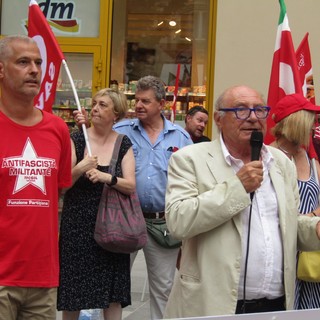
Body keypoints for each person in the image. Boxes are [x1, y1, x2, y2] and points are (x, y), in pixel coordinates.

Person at [163, 85, 320, 318]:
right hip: (213, 304)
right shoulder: (189, 159)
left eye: (259, 110)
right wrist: (238, 187)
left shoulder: (281, 162)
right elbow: (178, 221)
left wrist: (314, 229)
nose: (253, 117)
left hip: (275, 305)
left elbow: (289, 227)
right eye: (241, 110)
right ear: (218, 119)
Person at [75, 75, 193, 319]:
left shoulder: (180, 137)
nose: (139, 105)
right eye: (137, 100)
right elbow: (93, 141)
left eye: (146, 101)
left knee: (164, 289)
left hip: (162, 224)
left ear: (161, 104)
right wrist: (82, 125)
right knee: (109, 284)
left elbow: (192, 179)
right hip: (123, 219)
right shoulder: (121, 131)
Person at [0, 35, 72, 320]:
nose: (34, 70)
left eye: (38, 63)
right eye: (23, 62)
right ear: (1, 69)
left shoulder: (57, 129)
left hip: (43, 279)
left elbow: (59, 192)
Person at [57, 88, 136, 320]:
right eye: (94, 104)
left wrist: (106, 177)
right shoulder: (77, 138)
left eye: (103, 105)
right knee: (73, 293)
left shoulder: (123, 142)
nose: (95, 109)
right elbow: (63, 186)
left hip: (112, 226)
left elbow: (131, 185)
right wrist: (81, 167)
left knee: (112, 296)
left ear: (116, 114)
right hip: (78, 226)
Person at [269, 93, 320, 309]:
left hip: (312, 253)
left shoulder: (311, 158)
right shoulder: (269, 158)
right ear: (297, 121)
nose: (314, 126)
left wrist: (313, 217)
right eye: (311, 120)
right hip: (285, 253)